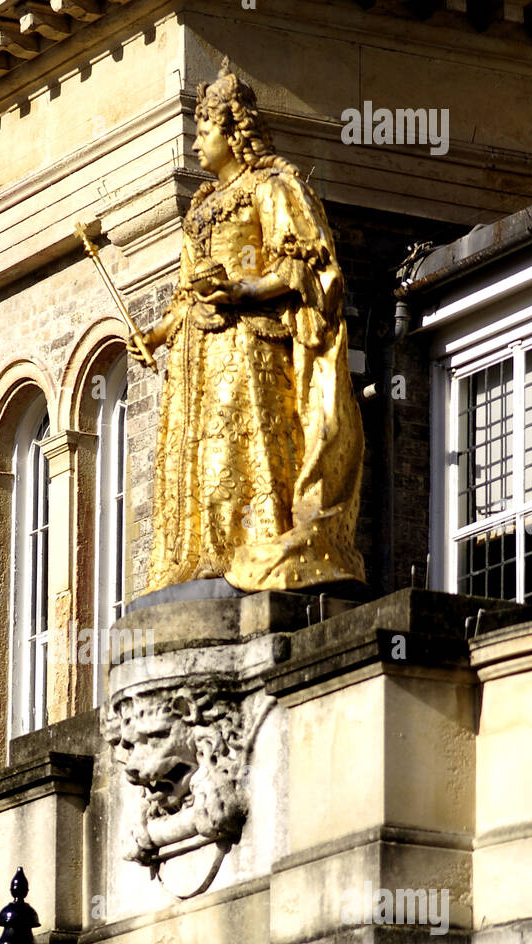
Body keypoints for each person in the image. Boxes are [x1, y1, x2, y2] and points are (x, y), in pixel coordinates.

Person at [129, 58, 366, 593]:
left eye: (204, 130)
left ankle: (256, 544)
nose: (195, 144)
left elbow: (302, 268)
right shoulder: (199, 207)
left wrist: (241, 290)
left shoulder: (271, 188)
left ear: (233, 135)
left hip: (249, 345)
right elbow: (186, 293)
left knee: (241, 450)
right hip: (198, 353)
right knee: (201, 460)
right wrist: (157, 334)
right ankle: (206, 556)